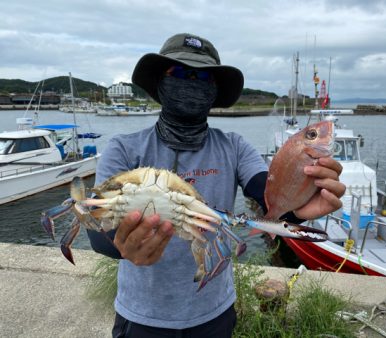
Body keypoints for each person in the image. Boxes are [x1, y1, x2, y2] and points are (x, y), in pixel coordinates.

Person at [87, 33, 346, 338]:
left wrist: (299, 211)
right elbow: (95, 228)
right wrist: (121, 245)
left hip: (214, 313)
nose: (191, 81)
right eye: (180, 73)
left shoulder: (233, 148)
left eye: (202, 77)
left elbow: (266, 200)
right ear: (159, 83)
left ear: (214, 91)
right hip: (142, 315)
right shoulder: (124, 149)